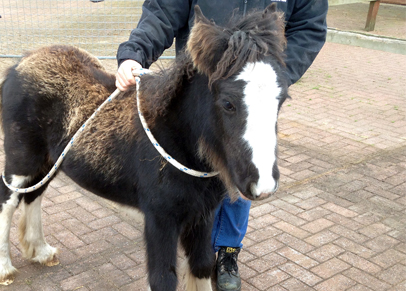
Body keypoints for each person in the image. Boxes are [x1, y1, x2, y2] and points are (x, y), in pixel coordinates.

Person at [115, 1, 328, 291]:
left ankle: (228, 251)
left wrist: (269, 75)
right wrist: (135, 52)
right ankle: (191, 246)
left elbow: (310, 25)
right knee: (191, 179)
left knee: (247, 167)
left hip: (253, 90)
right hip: (200, 83)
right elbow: (165, 8)